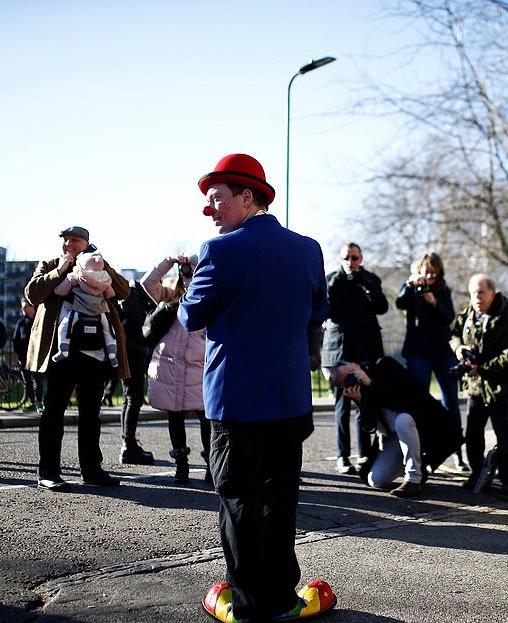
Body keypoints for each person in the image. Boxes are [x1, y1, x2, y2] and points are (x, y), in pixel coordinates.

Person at [182, 153, 335, 623]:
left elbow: (191, 316)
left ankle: (248, 604)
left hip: (236, 402)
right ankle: (282, 596)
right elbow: (316, 315)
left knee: (240, 501)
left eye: (218, 200)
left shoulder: (218, 251)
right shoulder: (309, 249)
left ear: (247, 197)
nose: (212, 211)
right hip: (290, 400)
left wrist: (191, 283)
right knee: (280, 497)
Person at [25, 225, 130, 492]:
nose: (69, 244)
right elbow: (33, 294)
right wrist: (60, 270)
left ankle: (92, 470)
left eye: (75, 240)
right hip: (61, 353)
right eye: (66, 240)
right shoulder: (49, 264)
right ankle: (48, 472)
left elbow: (124, 291)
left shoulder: (99, 265)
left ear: (87, 243)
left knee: (91, 414)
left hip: (94, 352)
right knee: (54, 411)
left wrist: (103, 265)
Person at [328, 357, 462, 497]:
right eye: (347, 380)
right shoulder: (360, 390)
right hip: (393, 436)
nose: (352, 378)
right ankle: (416, 462)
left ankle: (413, 479)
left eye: (351, 373)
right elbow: (369, 428)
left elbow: (407, 395)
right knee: (376, 480)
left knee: (402, 420)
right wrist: (361, 403)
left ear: (355, 364)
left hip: (420, 427)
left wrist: (372, 383)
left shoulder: (385, 366)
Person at [450, 274, 508, 495]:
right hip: (475, 386)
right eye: (473, 293)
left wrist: (483, 368)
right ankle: (477, 473)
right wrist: (459, 348)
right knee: (473, 432)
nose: (477, 297)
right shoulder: (468, 313)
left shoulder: (506, 316)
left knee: (502, 432)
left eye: (481, 292)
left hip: (498, 385)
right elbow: (453, 334)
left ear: (492, 292)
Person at [394, 252, 466, 471]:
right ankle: (422, 450)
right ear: (419, 272)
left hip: (442, 351)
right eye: (425, 273)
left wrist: (434, 302)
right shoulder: (412, 288)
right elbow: (400, 303)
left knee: (451, 401)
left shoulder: (443, 290)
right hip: (418, 352)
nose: (429, 278)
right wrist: (409, 284)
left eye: (433, 275)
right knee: (419, 401)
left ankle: (457, 452)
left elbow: (448, 318)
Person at [321, 242, 388, 475]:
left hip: (365, 352)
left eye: (355, 258)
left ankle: (364, 454)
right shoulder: (332, 279)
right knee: (342, 405)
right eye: (347, 258)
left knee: (364, 403)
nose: (351, 262)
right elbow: (324, 310)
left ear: (361, 258)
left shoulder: (370, 279)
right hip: (339, 351)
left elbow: (382, 307)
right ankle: (342, 456)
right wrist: (337, 281)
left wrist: (366, 283)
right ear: (340, 259)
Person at [142, 254, 208, 485]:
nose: (188, 272)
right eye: (186, 269)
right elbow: (147, 283)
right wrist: (167, 263)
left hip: (197, 365)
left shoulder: (208, 295)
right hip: (169, 365)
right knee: (175, 416)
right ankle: (181, 466)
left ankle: (212, 465)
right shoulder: (172, 295)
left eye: (192, 268)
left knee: (206, 417)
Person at [51, 251, 119, 367]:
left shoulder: (77, 274)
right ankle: (112, 353)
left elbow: (60, 290)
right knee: (109, 331)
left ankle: (63, 349)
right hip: (100, 312)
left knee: (64, 327)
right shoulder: (105, 278)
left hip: (79, 310)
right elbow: (110, 294)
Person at [117, 280, 155, 465]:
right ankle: (128, 445)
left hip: (129, 351)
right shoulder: (132, 296)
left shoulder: (128, 295)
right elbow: (138, 320)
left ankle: (128, 442)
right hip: (132, 352)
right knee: (133, 397)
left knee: (128, 397)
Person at [12, 298, 43, 413]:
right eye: (22, 307)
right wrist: (19, 355)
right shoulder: (21, 322)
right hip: (24, 357)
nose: (23, 309)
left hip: (37, 356)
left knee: (37, 379)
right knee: (27, 380)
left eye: (25, 306)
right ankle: (32, 402)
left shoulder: (39, 320)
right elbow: (16, 340)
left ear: (32, 307)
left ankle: (39, 402)